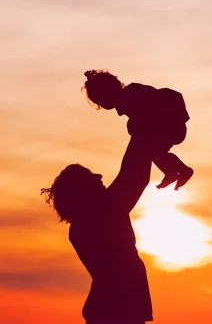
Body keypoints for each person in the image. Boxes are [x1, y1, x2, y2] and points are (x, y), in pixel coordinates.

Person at [41, 137, 154, 324]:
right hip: (117, 310)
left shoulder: (84, 224)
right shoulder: (103, 213)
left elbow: (135, 173)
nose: (99, 177)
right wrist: (143, 130)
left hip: (109, 308)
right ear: (82, 191)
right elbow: (135, 174)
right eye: (91, 176)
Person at [82, 69, 194, 190]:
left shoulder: (132, 93)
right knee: (155, 153)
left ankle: (182, 170)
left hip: (170, 125)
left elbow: (147, 111)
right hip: (166, 127)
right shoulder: (127, 98)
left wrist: (133, 127)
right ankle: (173, 172)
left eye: (102, 99)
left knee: (151, 150)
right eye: (99, 102)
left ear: (110, 91)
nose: (102, 104)